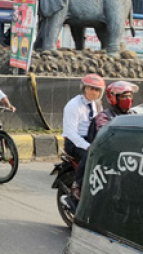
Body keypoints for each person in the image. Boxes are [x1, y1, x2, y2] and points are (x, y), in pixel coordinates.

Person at [61, 73, 106, 201]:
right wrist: (87, 146)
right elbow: (70, 133)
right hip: (74, 142)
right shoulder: (73, 105)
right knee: (90, 155)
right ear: (84, 88)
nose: (93, 91)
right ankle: (77, 184)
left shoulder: (97, 105)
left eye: (97, 89)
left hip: (91, 138)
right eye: (90, 88)